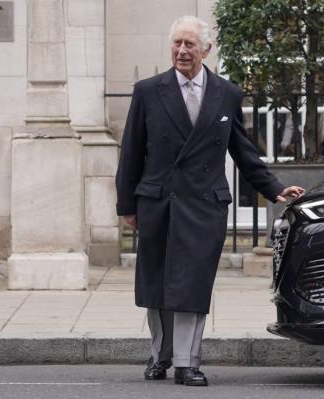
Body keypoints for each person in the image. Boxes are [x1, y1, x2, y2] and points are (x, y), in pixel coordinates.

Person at [115, 15, 304, 387]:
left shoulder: (226, 93)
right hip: (158, 202)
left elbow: (242, 149)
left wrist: (274, 189)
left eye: (189, 44)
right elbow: (131, 152)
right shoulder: (149, 91)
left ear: (206, 50)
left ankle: (188, 362)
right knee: (157, 284)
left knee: (192, 283)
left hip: (203, 204)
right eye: (176, 44)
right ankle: (161, 355)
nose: (182, 51)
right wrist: (127, 206)